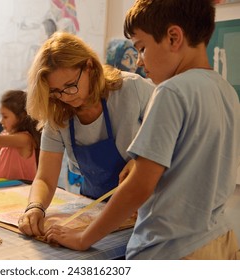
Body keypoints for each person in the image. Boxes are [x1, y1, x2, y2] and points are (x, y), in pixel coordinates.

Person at [44, 0, 240, 260]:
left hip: (170, 251)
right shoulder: (226, 91)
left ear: (173, 37)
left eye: (142, 48)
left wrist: (84, 237)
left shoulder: (170, 92)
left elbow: (140, 185)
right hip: (220, 240)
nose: (138, 61)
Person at [18, 32, 154, 236]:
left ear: (89, 66)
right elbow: (45, 178)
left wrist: (143, 159)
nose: (64, 97)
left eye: (70, 86)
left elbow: (180, 134)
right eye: (55, 91)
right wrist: (35, 207)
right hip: (95, 209)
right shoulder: (57, 114)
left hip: (144, 212)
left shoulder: (132, 90)